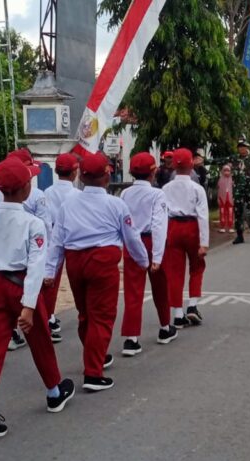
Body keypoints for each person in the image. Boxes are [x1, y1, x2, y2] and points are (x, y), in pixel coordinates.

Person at [0, 158, 74, 439]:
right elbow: (36, 265)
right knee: (40, 338)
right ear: (26, 187)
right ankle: (54, 392)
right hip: (22, 285)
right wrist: (28, 306)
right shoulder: (33, 223)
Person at [45, 153, 151, 392]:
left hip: (74, 262)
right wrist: (143, 260)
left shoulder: (68, 204)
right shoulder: (116, 204)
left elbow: (57, 241)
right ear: (107, 176)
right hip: (102, 262)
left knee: (85, 314)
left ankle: (96, 355)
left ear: (81, 176)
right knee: (102, 316)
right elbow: (132, 238)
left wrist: (51, 271)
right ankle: (93, 373)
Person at [0, 149, 53, 351]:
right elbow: (45, 225)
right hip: (25, 263)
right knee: (39, 329)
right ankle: (52, 383)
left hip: (1, 265)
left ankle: (11, 333)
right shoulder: (37, 196)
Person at [119, 152, 173, 354]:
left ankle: (131, 338)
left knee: (133, 291)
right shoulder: (157, 194)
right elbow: (159, 225)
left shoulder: (124, 194)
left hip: (131, 241)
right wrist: (157, 256)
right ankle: (165, 327)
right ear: (153, 172)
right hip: (150, 241)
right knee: (160, 286)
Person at [162, 148, 210, 329]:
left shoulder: (165, 188)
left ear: (173, 165)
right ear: (192, 165)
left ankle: (177, 314)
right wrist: (204, 243)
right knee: (197, 266)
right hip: (192, 227)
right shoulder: (197, 188)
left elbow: (162, 213)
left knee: (174, 271)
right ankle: (192, 304)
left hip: (172, 227)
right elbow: (203, 215)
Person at [41, 153, 82, 343]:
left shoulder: (47, 192)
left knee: (51, 280)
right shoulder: (77, 195)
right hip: (73, 238)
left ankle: (47, 316)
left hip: (53, 236)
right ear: (74, 172)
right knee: (79, 281)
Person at [226, 139, 250, 244]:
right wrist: (203, 161)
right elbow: (221, 160)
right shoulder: (234, 159)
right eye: (240, 147)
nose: (242, 149)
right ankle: (239, 236)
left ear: (247, 148)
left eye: (244, 147)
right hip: (238, 190)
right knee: (238, 212)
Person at [217, 164, 235, 233]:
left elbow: (234, 189)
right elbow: (219, 190)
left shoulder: (232, 179)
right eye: (225, 170)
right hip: (222, 198)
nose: (226, 172)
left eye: (228, 171)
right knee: (222, 212)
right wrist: (218, 198)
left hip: (230, 198)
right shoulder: (220, 180)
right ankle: (222, 226)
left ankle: (230, 226)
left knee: (230, 212)